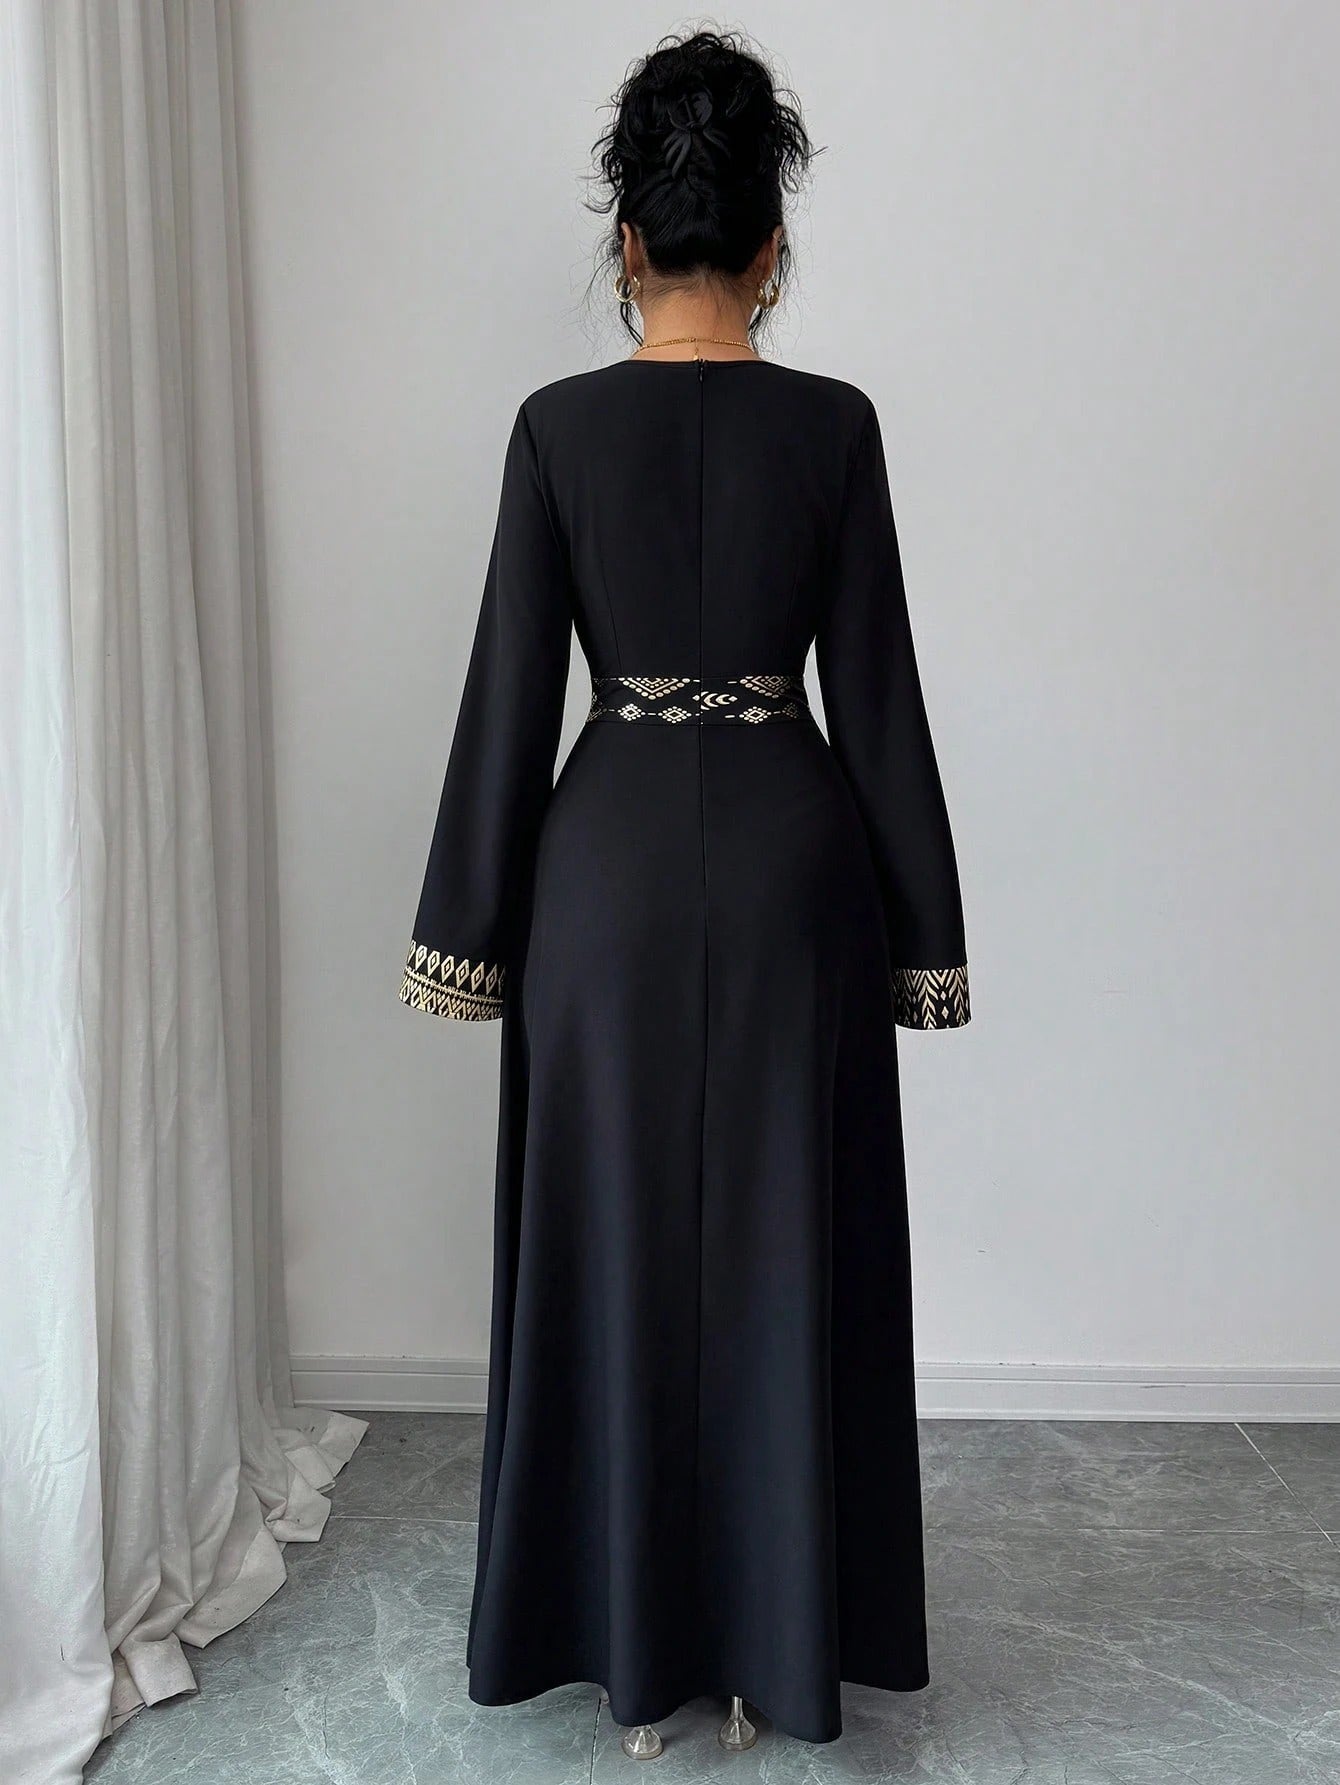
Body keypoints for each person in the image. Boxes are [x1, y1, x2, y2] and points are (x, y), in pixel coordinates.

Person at [399, 27, 970, 1753]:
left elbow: (512, 692)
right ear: (771, 248)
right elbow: (879, 695)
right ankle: (768, 1652)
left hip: (607, 884)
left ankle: (633, 1654)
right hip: (798, 875)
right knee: (788, 1251)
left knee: (617, 1257)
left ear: (629, 243)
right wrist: (927, 937)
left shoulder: (556, 428)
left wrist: (464, 929)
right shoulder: (837, 428)